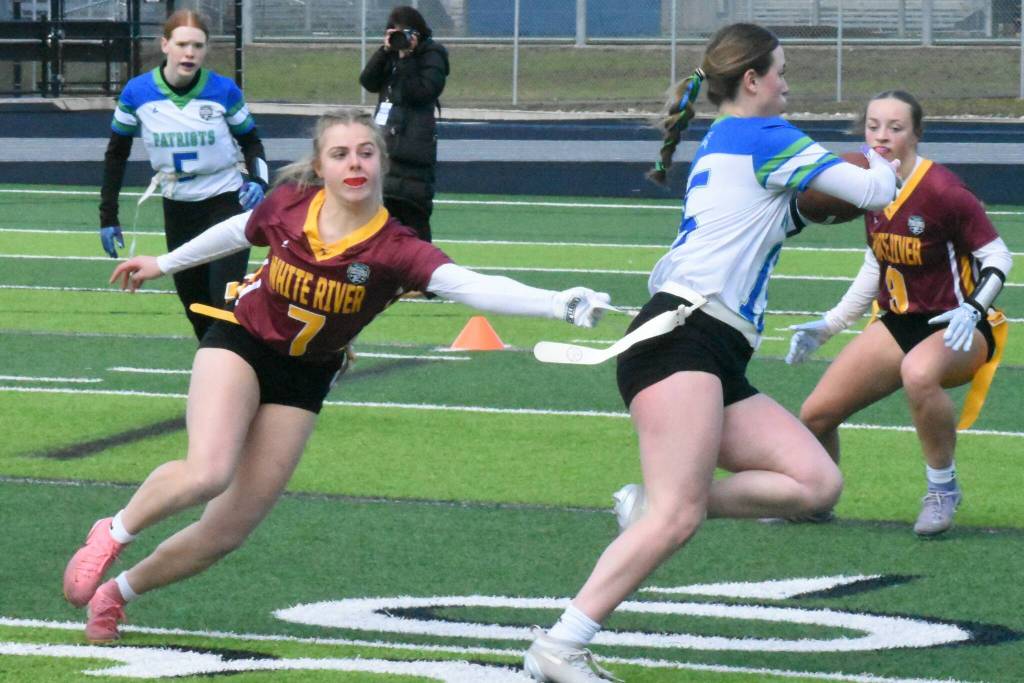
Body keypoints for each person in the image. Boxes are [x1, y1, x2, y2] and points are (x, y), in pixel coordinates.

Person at [63, 108, 611, 643]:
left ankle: (119, 593)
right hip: (242, 342)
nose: (355, 163)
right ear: (319, 166)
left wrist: (557, 303)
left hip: (305, 377)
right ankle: (111, 533)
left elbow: (468, 284)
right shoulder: (290, 204)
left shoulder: (396, 247)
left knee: (227, 530)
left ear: (383, 163)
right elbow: (239, 228)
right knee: (208, 471)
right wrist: (164, 262)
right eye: (340, 153)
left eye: (366, 152)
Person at [522, 23, 900, 682]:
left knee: (815, 483)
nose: (787, 83)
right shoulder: (760, 135)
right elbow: (874, 191)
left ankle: (650, 503)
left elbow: (783, 213)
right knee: (678, 517)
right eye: (780, 71)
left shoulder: (733, 143)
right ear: (751, 80)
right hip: (682, 339)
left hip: (709, 347)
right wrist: (893, 154)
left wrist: (822, 200)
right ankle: (561, 644)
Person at [785, 90, 1012, 537]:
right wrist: (830, 324)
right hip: (897, 322)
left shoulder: (944, 190)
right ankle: (814, 500)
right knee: (816, 415)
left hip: (959, 324)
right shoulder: (868, 187)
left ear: (916, 133)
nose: (882, 136)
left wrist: (974, 308)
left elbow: (998, 256)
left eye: (895, 127)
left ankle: (942, 488)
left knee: (919, 372)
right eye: (873, 126)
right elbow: (877, 263)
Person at [100, 9, 269, 340]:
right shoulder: (137, 93)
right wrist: (108, 215)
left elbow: (252, 142)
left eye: (198, 45)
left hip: (225, 202)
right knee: (196, 306)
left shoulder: (223, 91)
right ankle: (220, 374)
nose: (190, 53)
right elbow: (116, 154)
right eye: (182, 44)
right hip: (177, 206)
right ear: (165, 45)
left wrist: (259, 182)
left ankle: (240, 377)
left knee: (224, 301)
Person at [359, 5, 449, 242]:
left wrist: (408, 58)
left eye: (404, 33)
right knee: (377, 229)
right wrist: (384, 50)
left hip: (413, 150)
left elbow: (421, 93)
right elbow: (367, 81)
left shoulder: (433, 54)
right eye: (394, 33)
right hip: (384, 148)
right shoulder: (390, 55)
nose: (400, 39)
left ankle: (420, 277)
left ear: (417, 33)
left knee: (414, 227)